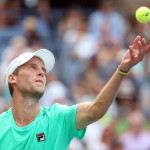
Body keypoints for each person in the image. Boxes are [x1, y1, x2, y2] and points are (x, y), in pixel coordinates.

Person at [0, 36, 150, 150]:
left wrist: (122, 70)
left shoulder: (59, 116)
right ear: (13, 78)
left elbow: (95, 110)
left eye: (43, 70)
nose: (41, 73)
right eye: (32, 67)